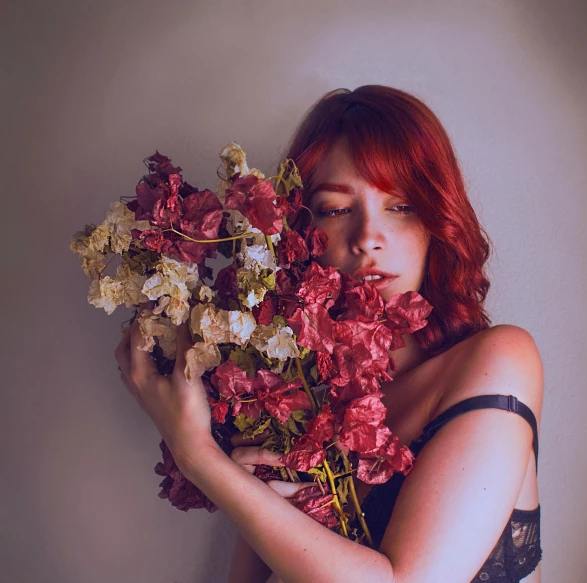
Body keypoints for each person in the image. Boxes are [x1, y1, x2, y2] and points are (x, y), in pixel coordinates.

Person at [115, 85, 544, 583]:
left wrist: (198, 456)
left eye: (401, 206)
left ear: (436, 221)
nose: (367, 238)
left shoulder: (499, 361)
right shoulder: (302, 417)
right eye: (336, 209)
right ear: (297, 235)